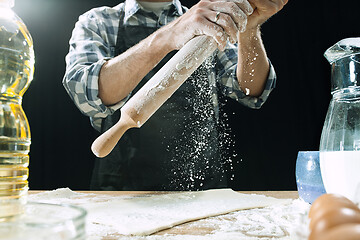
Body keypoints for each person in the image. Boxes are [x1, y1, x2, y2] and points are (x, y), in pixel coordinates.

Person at [63, 0, 288, 191]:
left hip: (201, 185)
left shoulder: (211, 21)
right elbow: (89, 93)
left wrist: (249, 29)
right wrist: (169, 35)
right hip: (123, 189)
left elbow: (251, 91)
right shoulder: (99, 21)